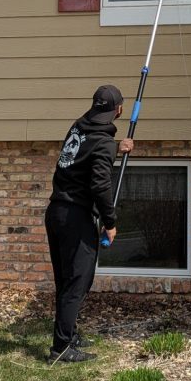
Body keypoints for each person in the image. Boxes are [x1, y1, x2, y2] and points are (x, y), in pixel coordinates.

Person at [45, 84, 134, 364]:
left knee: (65, 280)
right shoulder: (103, 142)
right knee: (79, 281)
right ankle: (60, 348)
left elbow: (86, 156)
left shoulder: (79, 127)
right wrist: (110, 221)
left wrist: (117, 149)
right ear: (118, 110)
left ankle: (68, 335)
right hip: (76, 218)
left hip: (56, 212)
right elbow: (100, 184)